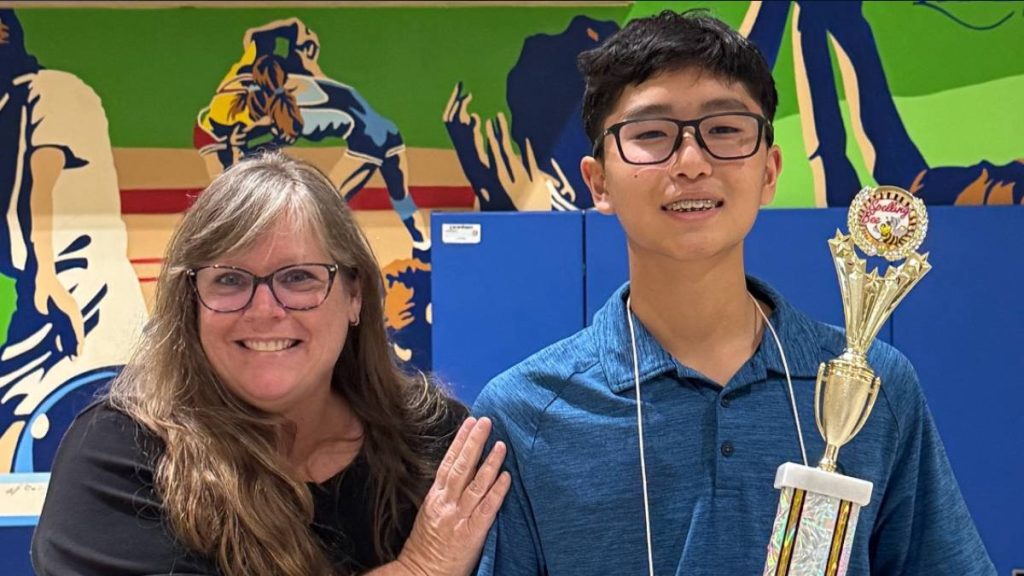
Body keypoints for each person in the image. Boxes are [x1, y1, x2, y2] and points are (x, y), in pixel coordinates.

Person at [472, 10, 995, 575]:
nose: (692, 162)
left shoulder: (877, 389)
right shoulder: (527, 414)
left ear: (769, 171)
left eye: (724, 130)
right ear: (599, 181)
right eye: (650, 134)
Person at [32, 153, 510, 576]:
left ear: (354, 296)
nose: (264, 310)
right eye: (230, 280)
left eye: (299, 277)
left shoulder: (436, 445)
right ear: (190, 302)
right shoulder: (122, 457)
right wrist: (420, 568)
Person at [0, 8, 147, 472]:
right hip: (38, 287)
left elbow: (45, 181)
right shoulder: (9, 107)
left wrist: (47, 273)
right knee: (12, 417)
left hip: (80, 283)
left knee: (103, 413)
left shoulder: (54, 90)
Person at [194, 18, 431, 254]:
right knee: (400, 197)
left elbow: (274, 144)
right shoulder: (292, 87)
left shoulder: (286, 107)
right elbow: (260, 38)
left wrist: (242, 148)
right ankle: (423, 246)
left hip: (369, 139)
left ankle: (352, 260)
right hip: (389, 132)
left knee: (327, 207)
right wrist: (297, 33)